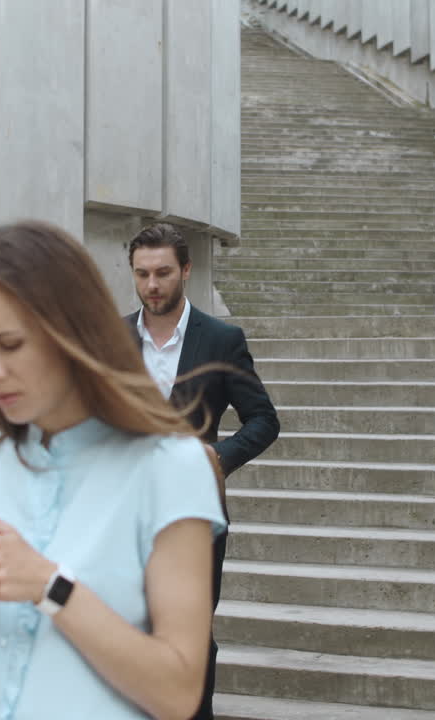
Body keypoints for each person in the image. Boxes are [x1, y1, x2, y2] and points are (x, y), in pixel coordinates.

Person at [0, 221, 227, 719]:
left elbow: (179, 693)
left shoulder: (170, 468)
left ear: (73, 330)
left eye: (9, 344)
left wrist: (50, 586)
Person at [124, 222, 280, 720]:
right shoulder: (112, 338)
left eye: (163, 273)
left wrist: (220, 457)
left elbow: (264, 420)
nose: (152, 284)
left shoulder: (221, 339)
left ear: (186, 270)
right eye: (142, 274)